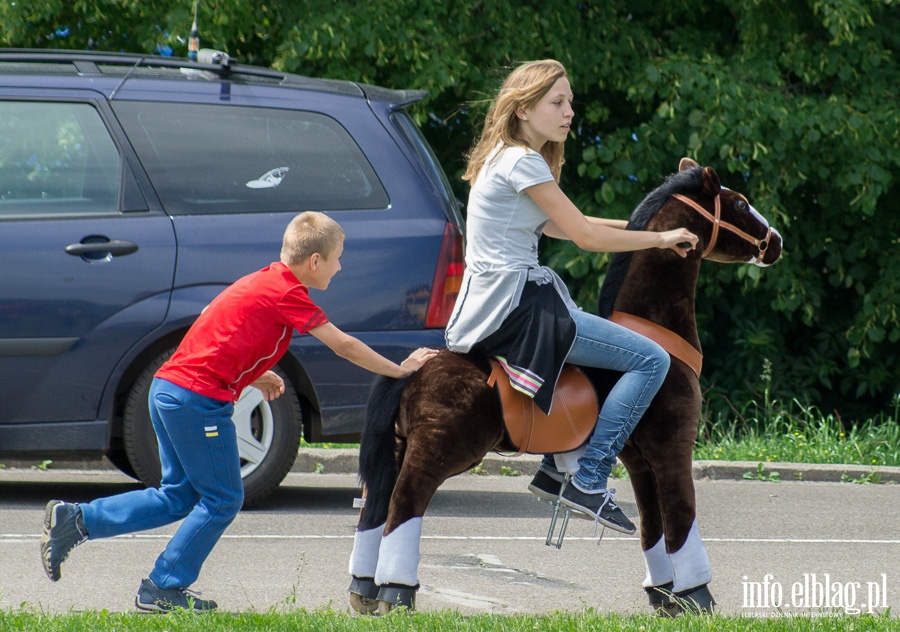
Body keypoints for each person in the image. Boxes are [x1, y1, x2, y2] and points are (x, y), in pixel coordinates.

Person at [40, 211, 438, 613]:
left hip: (169, 390)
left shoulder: (264, 279)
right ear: (314, 261)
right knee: (223, 499)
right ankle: (163, 586)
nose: (340, 266)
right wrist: (400, 370)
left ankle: (77, 520)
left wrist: (251, 372)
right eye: (337, 257)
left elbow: (216, 331)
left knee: (177, 497)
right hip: (195, 401)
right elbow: (343, 345)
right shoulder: (289, 293)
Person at [444, 60, 698, 535]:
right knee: (650, 361)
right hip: (516, 309)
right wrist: (660, 242)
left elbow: (563, 226)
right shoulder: (523, 161)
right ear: (523, 109)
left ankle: (556, 465)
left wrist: (646, 228)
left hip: (491, 307)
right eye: (557, 103)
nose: (569, 112)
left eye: (570, 102)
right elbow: (584, 236)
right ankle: (589, 476)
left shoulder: (503, 157)